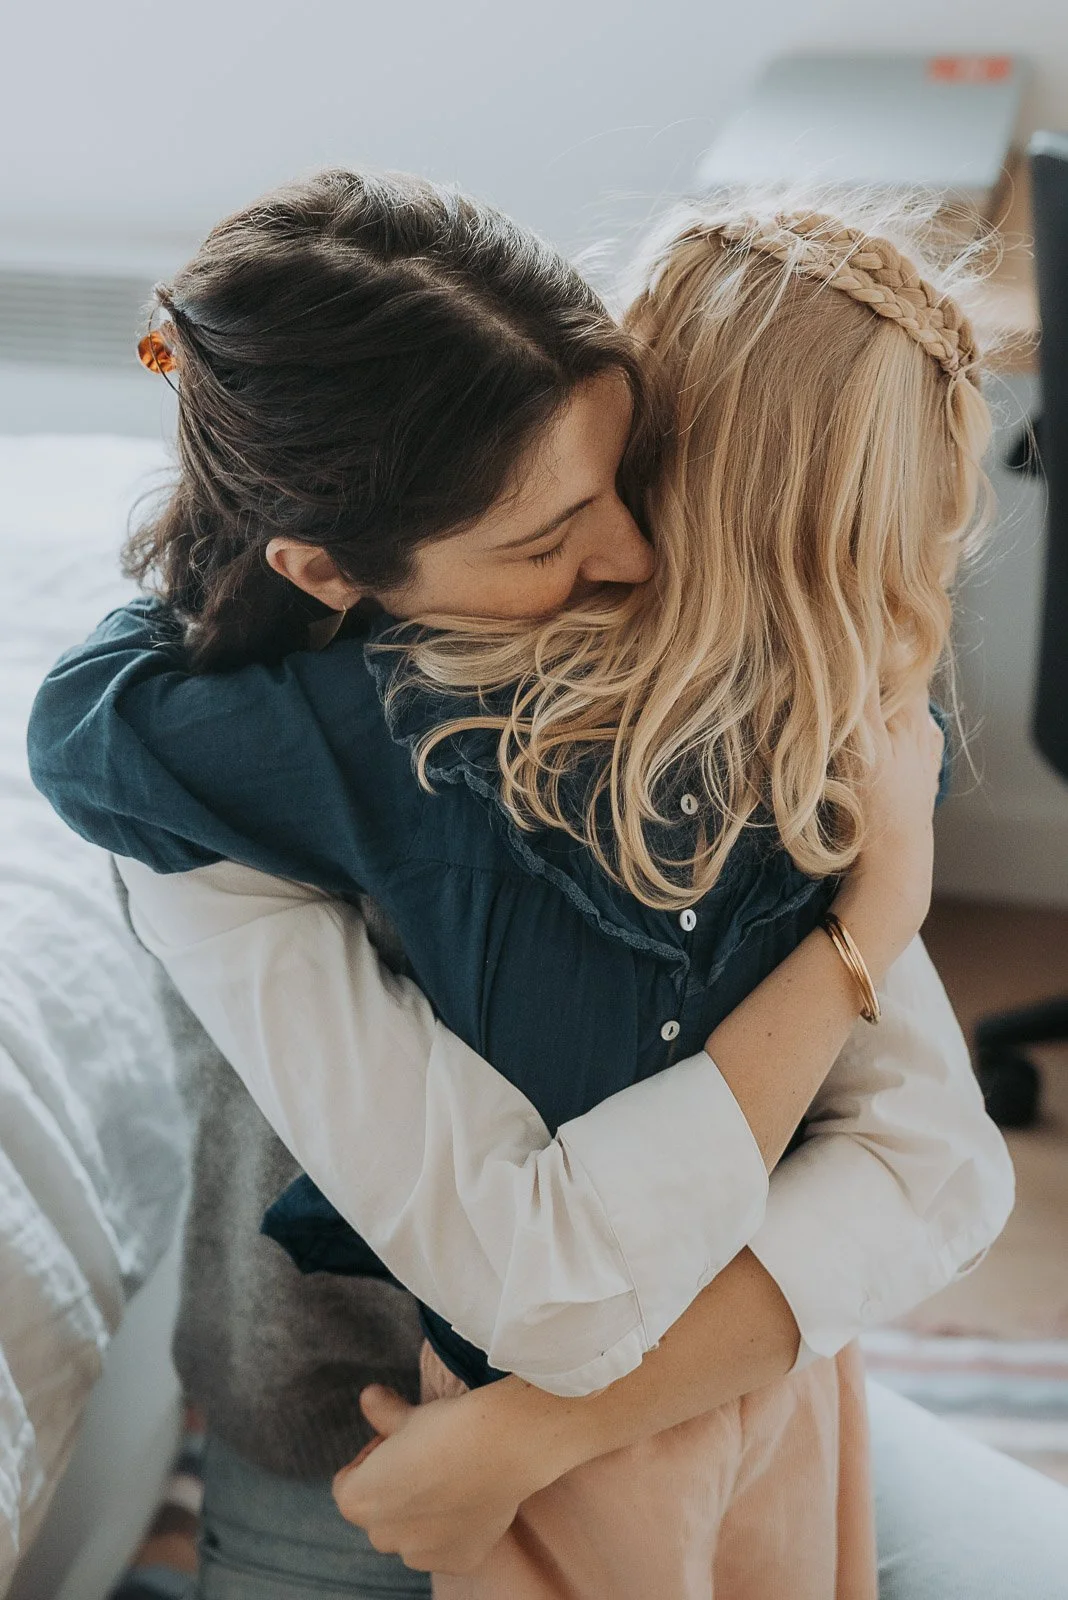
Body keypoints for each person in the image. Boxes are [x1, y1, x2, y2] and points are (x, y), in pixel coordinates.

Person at [26, 170, 1058, 1598]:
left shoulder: (702, 690)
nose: (634, 557)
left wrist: (533, 1435)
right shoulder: (238, 790)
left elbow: (934, 1162)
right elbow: (549, 1277)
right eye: (543, 541)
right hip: (363, 1463)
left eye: (627, 482)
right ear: (332, 572)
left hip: (700, 1396)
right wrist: (870, 928)